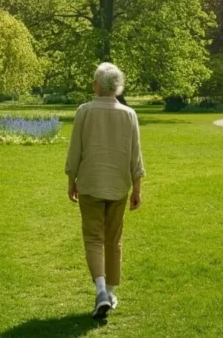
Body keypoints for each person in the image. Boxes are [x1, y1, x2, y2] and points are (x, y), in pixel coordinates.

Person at [65, 62, 146, 320]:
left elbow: (75, 150)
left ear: (98, 85)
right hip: (118, 185)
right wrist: (137, 188)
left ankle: (101, 291)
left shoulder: (84, 111)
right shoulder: (128, 114)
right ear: (117, 86)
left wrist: (71, 179)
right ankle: (109, 293)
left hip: (90, 182)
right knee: (113, 240)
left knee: (93, 238)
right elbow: (136, 155)